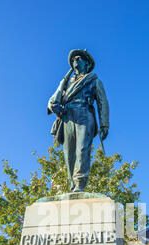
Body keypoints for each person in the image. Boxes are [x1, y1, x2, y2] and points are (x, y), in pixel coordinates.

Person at [48, 49, 109, 192]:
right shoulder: (65, 84)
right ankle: (71, 185)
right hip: (67, 116)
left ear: (87, 64)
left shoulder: (94, 80)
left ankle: (80, 183)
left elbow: (102, 102)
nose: (75, 61)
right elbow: (55, 100)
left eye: (79, 59)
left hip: (85, 114)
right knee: (69, 154)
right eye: (74, 60)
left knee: (82, 150)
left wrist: (104, 124)